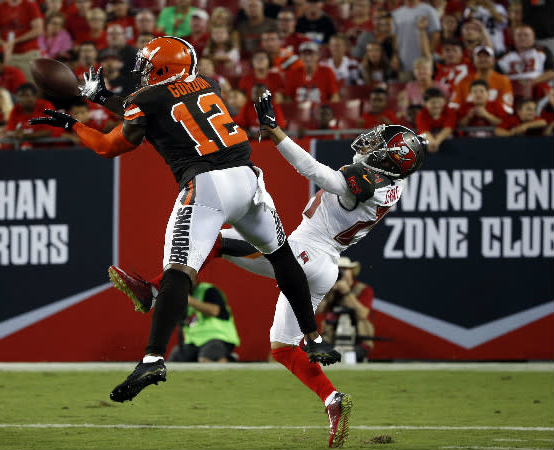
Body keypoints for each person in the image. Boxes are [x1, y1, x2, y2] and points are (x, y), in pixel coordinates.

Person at [29, 36, 340, 404]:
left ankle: (153, 358)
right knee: (282, 256)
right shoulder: (209, 83)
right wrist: (101, 98)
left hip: (207, 187)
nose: (141, 73)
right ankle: (315, 338)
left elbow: (109, 145)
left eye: (147, 67)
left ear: (162, 68)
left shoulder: (147, 100)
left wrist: (75, 125)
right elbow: (154, 108)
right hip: (248, 179)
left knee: (179, 271)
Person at [107, 92, 427, 448]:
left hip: (305, 254)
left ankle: (151, 291)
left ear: (389, 159)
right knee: (282, 348)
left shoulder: (365, 184)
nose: (372, 141)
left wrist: (275, 132)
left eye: (380, 143)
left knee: (217, 238)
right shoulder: (392, 185)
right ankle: (333, 401)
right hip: (324, 264)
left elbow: (314, 171)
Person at [316, 257, 376, 363]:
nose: (341, 273)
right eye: (338, 269)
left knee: (348, 357)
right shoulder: (330, 289)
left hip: (357, 340)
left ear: (352, 271)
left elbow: (362, 314)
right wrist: (328, 293)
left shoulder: (364, 289)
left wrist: (346, 292)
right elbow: (317, 311)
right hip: (331, 339)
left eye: (344, 269)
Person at [168, 280, 240, 363]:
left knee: (206, 357)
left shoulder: (208, 290)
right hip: (193, 342)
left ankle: (226, 361)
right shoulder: (179, 299)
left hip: (218, 338)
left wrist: (189, 300)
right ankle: (226, 358)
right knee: (175, 357)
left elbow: (214, 311)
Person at [416, 87, 456, 153]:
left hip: (449, 146)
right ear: (425, 103)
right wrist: (432, 142)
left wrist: (436, 142)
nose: (437, 105)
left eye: (440, 102)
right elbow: (424, 131)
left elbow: (448, 128)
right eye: (433, 103)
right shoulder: (421, 115)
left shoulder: (450, 111)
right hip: (427, 147)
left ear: (444, 101)